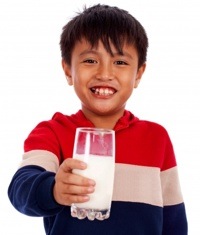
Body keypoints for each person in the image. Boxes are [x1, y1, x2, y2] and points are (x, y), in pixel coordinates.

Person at [8, 4, 188, 235]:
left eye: (120, 62)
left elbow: (174, 221)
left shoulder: (156, 137)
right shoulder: (52, 132)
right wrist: (52, 189)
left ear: (138, 74)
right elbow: (21, 188)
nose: (104, 73)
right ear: (68, 71)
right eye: (90, 61)